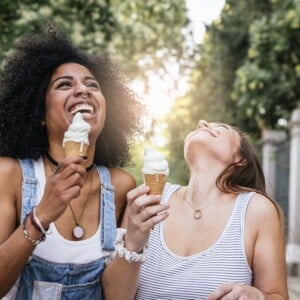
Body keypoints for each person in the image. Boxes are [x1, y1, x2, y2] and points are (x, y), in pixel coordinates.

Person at [0, 23, 148, 299]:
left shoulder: (121, 185)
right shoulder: (10, 175)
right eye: (64, 84)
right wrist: (41, 215)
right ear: (39, 113)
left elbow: (118, 296)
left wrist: (136, 240)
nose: (84, 90)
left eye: (92, 84)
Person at [102, 120, 289, 299]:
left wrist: (257, 297)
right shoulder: (148, 200)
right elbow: (114, 297)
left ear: (240, 159)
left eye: (221, 127)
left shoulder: (257, 210)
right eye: (200, 125)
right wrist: (133, 242)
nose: (201, 123)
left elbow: (277, 296)